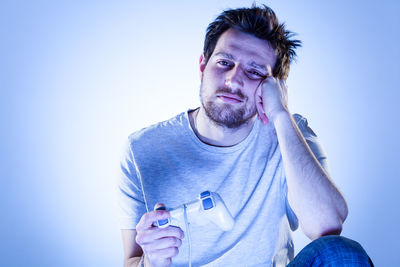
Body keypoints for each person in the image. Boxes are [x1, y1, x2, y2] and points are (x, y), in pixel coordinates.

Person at [118, 4, 373, 267]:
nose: (233, 80)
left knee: (342, 253)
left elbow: (327, 225)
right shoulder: (142, 149)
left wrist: (282, 116)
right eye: (224, 63)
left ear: (274, 85)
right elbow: (131, 261)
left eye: (254, 72)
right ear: (203, 66)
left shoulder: (291, 134)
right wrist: (151, 261)